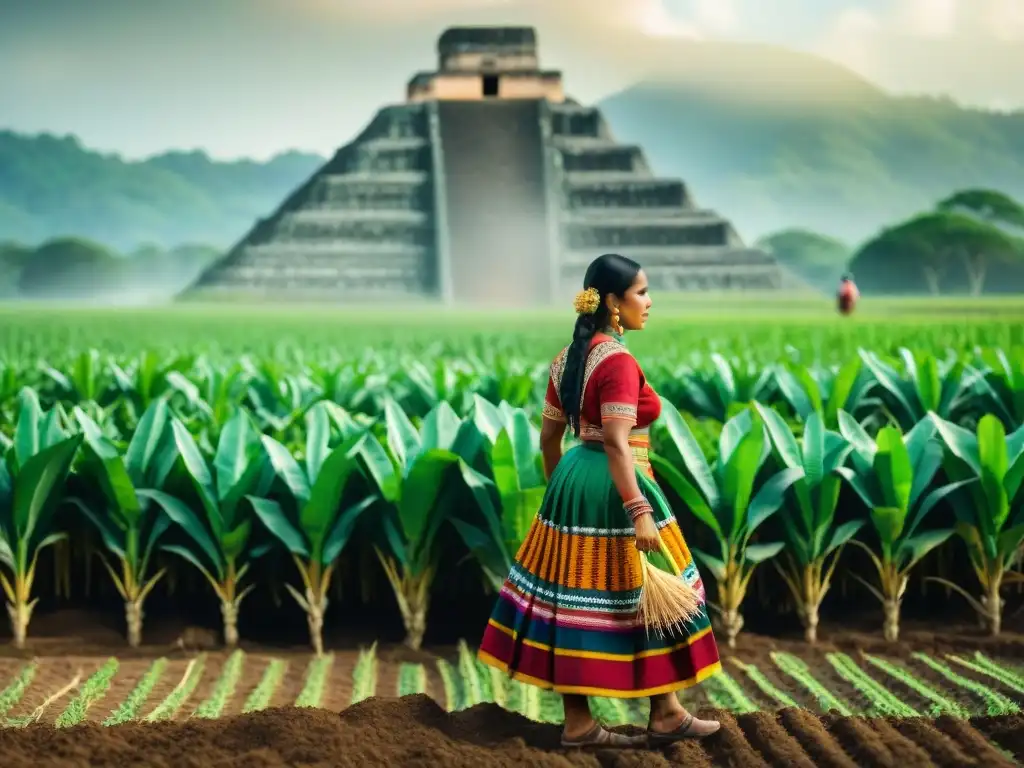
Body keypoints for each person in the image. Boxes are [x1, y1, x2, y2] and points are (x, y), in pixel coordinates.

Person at [477, 253, 722, 749]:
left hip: (573, 480)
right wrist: (639, 509)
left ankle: (583, 724)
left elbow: (549, 439)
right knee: (645, 593)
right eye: (641, 293)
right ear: (612, 302)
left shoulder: (565, 359)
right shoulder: (619, 362)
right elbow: (616, 441)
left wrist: (560, 495)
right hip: (617, 483)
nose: (649, 303)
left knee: (575, 597)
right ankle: (667, 714)